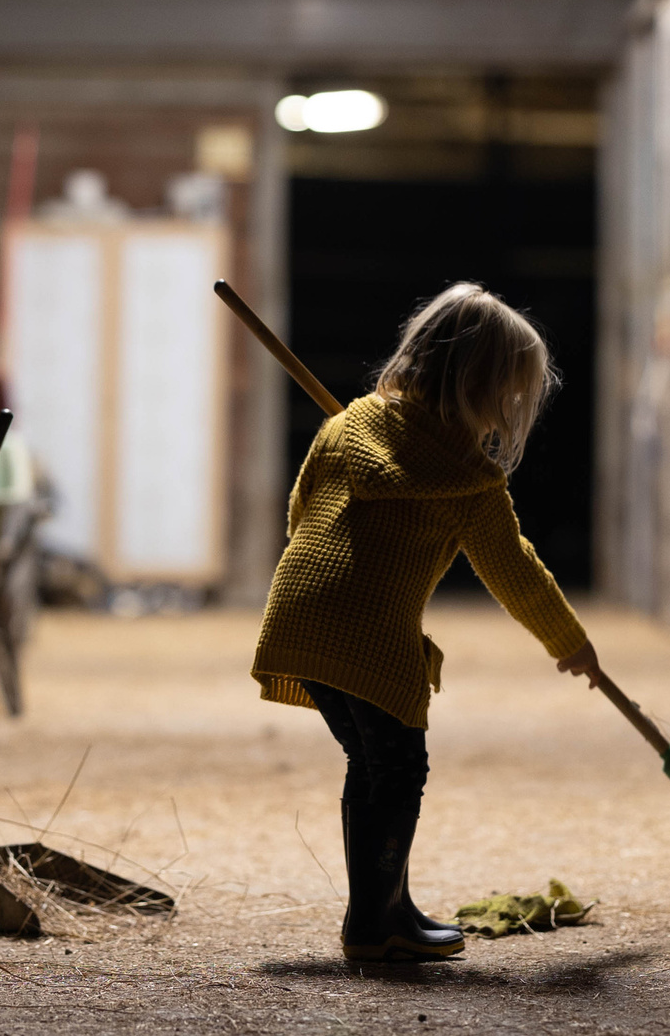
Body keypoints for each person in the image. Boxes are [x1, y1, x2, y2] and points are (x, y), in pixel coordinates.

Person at [252, 282, 601, 963]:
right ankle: (374, 924)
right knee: (399, 768)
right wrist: (571, 641)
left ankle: (387, 908)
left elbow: (299, 513)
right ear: (491, 387)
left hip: (298, 614)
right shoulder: (471, 481)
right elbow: (516, 572)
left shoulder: (347, 424)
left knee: (372, 762)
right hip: (371, 636)